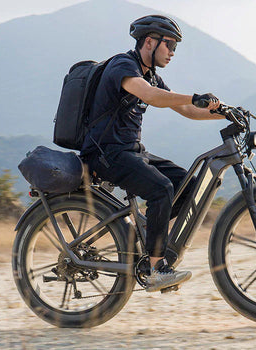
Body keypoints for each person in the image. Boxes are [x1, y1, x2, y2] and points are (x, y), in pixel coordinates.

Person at [81, 15, 224, 292]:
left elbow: (187, 110)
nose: (172, 52)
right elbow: (150, 96)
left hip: (130, 151)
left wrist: (224, 112)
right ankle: (156, 268)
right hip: (105, 153)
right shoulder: (124, 65)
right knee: (160, 189)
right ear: (150, 42)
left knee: (188, 186)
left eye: (175, 47)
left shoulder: (150, 74)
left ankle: (147, 237)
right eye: (169, 45)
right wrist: (193, 96)